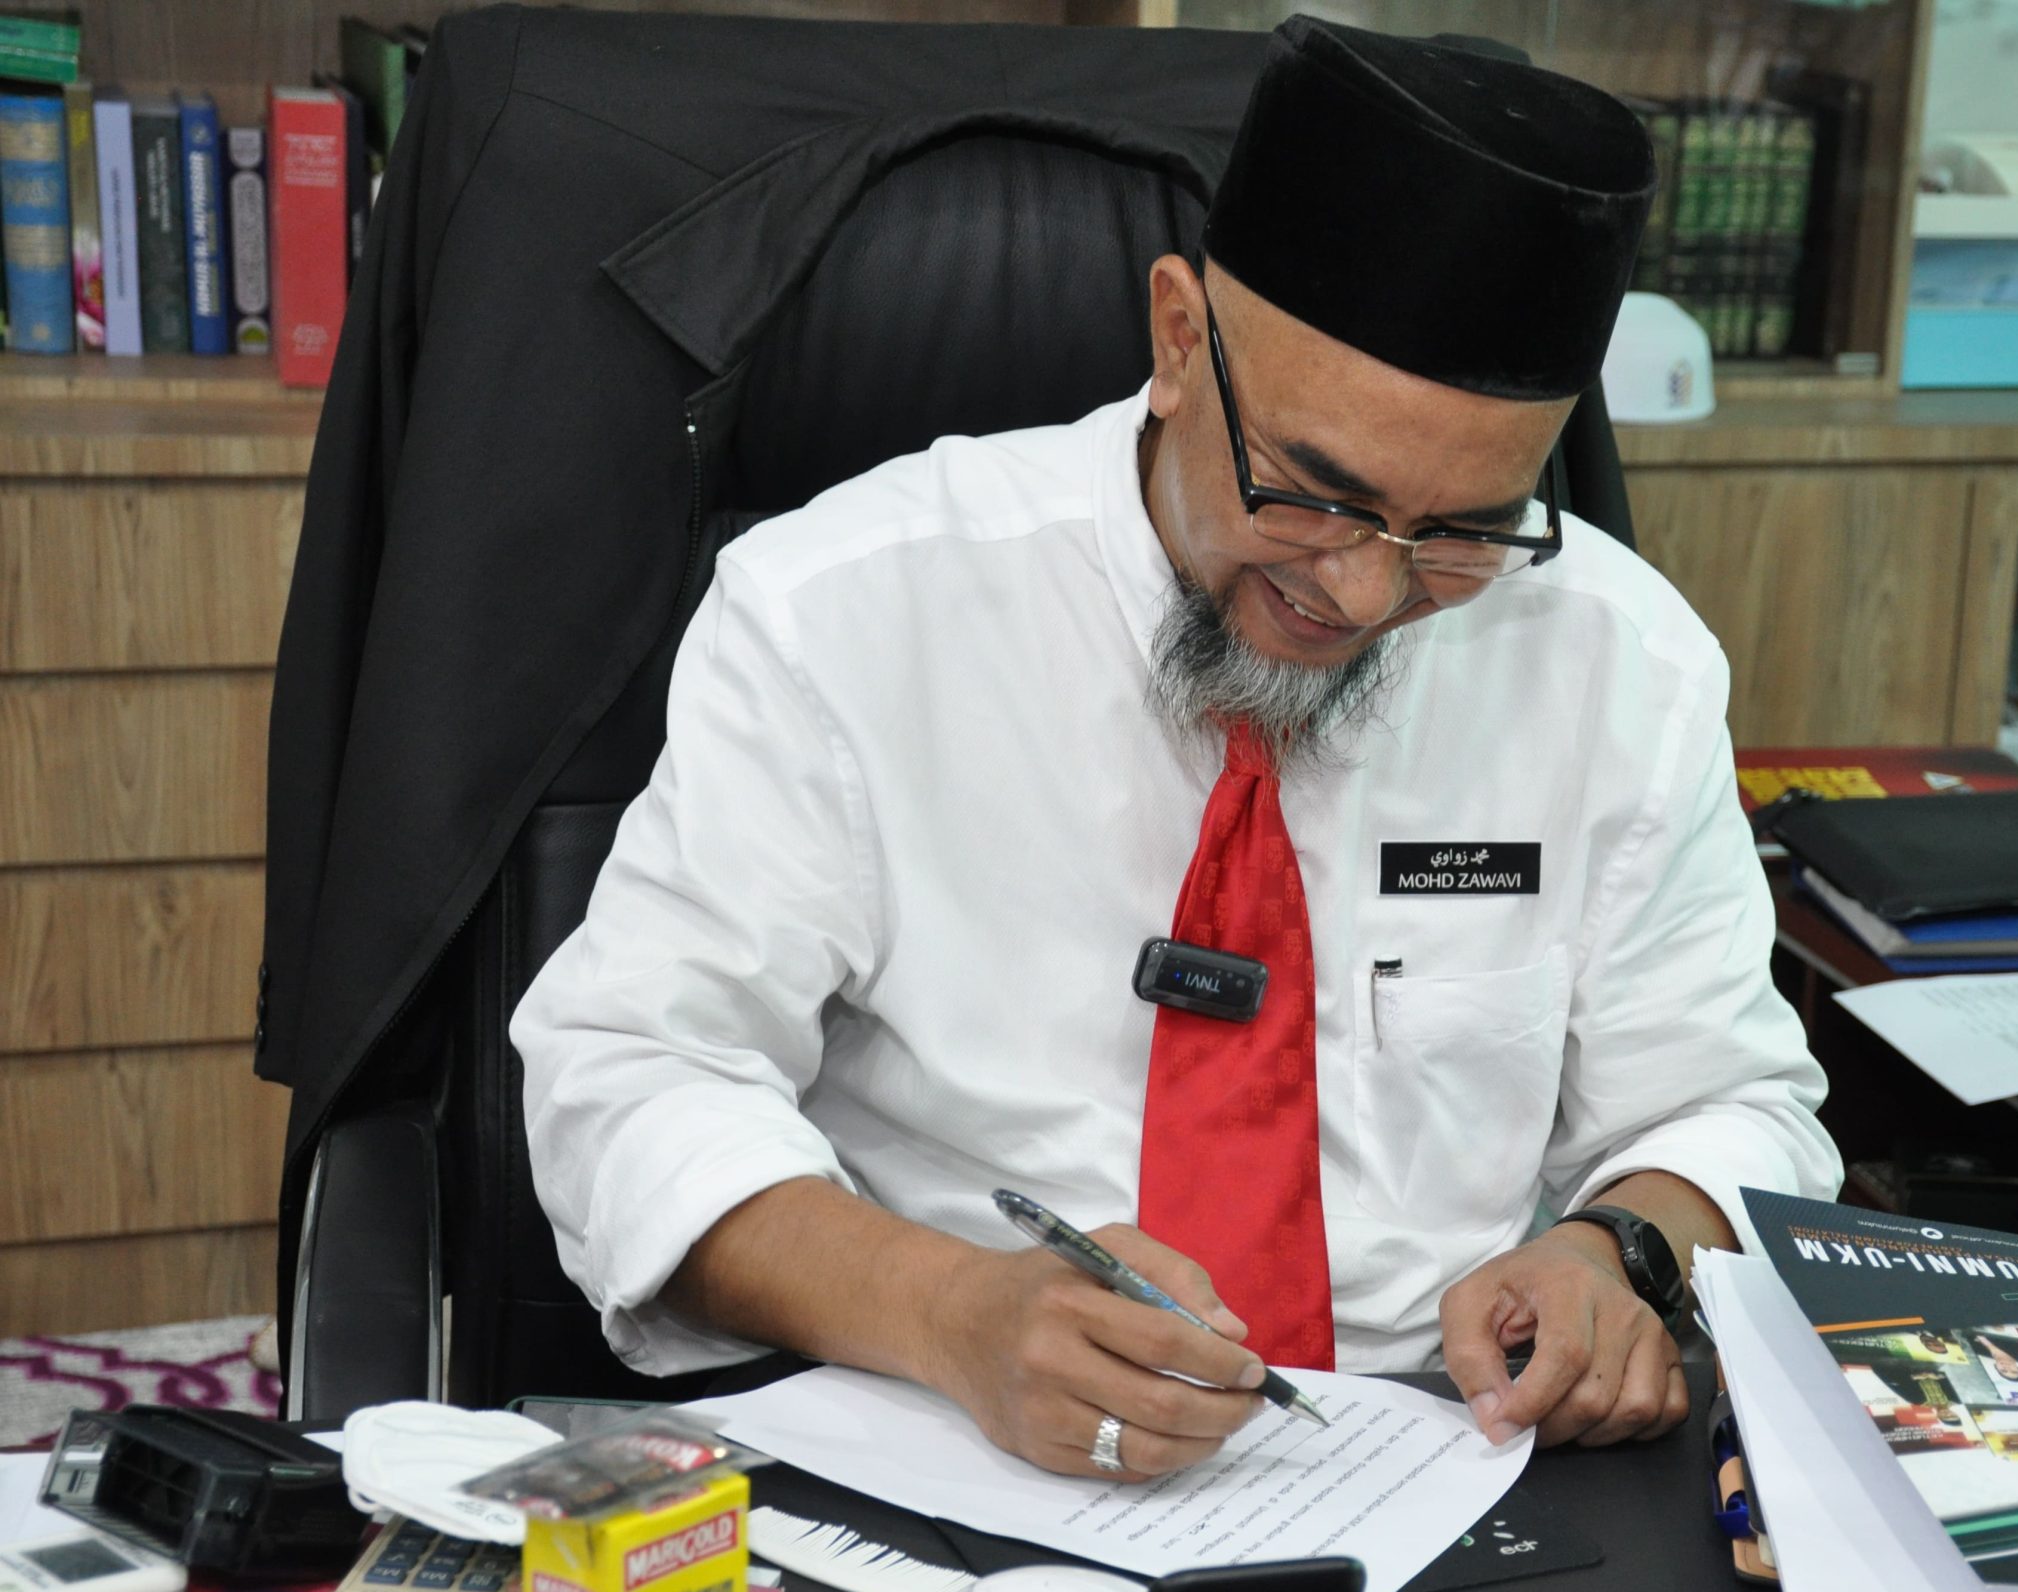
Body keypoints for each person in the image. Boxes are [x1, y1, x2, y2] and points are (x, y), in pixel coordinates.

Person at [514, 15, 1838, 1484]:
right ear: (1177, 338)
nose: (1364, 592)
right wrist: (950, 1313)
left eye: (1460, 533)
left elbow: (1731, 1103)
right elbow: (626, 1082)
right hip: (945, 1441)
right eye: (1313, 494)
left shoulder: (1618, 661)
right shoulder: (847, 610)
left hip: (1442, 1463)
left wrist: (1614, 1251)